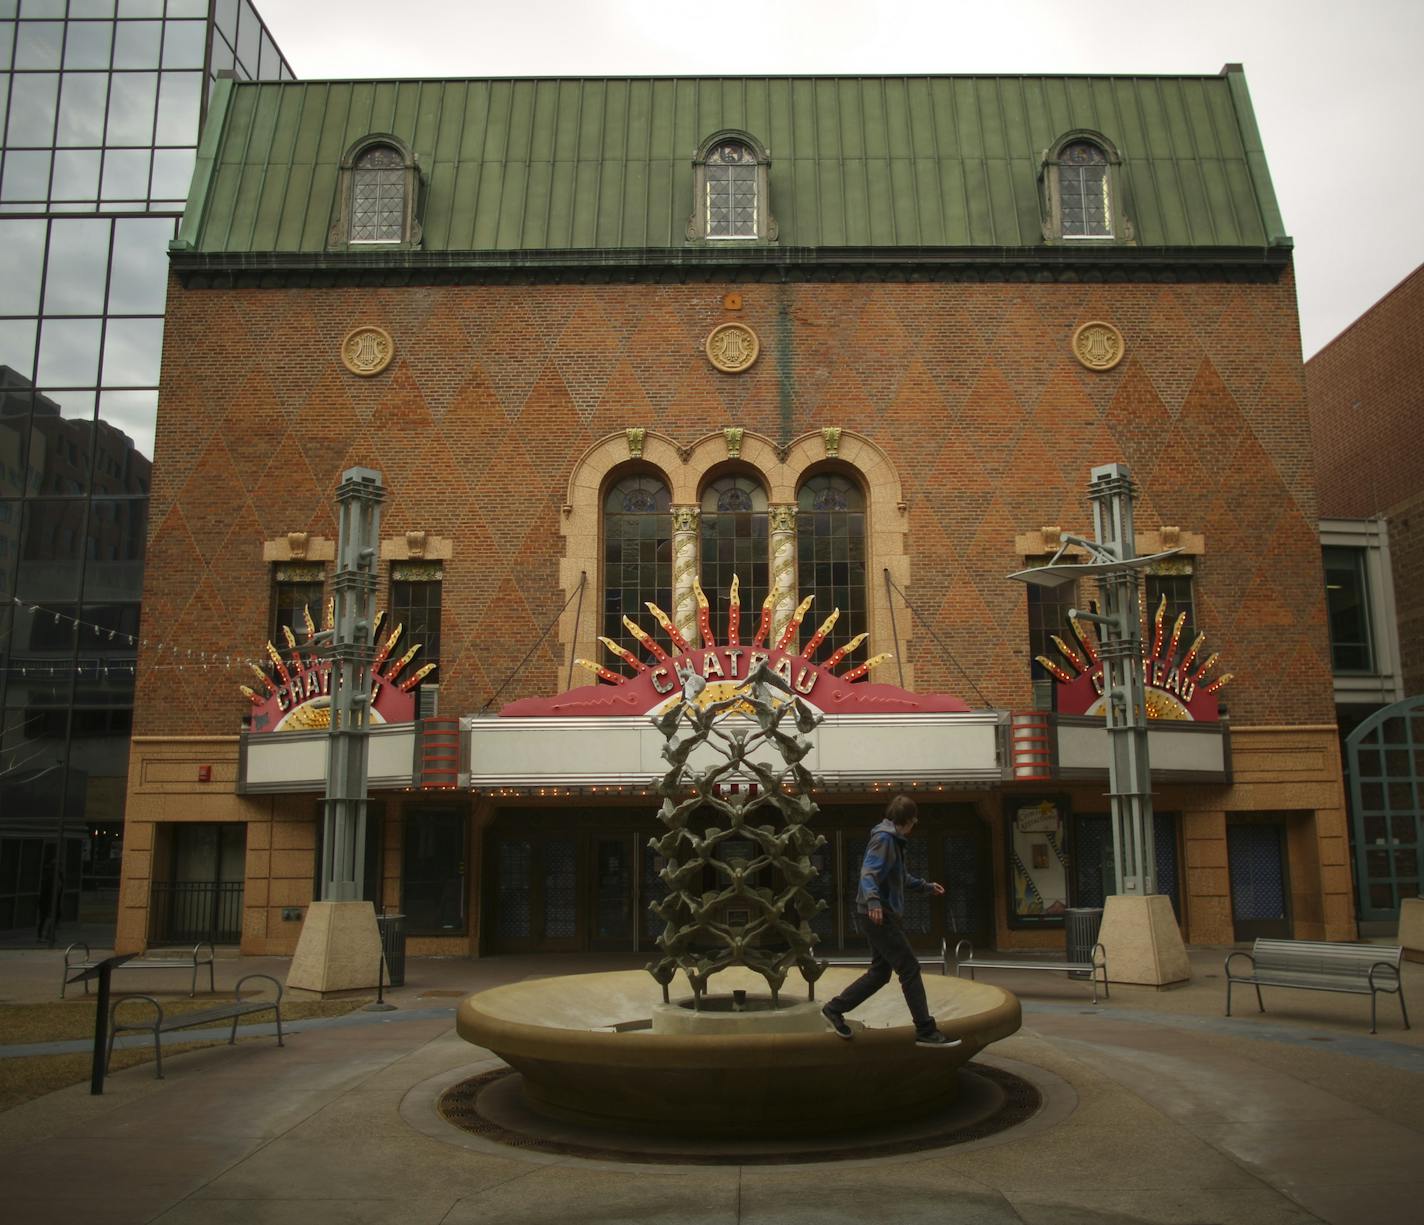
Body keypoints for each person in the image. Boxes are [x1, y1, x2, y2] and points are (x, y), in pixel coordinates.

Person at [822, 795, 959, 1048]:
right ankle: (925, 1030)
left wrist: (926, 886)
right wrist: (874, 903)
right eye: (914, 821)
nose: (914, 826)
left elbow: (900, 876)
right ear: (907, 821)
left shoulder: (892, 840)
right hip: (879, 914)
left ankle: (834, 1009)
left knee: (880, 973)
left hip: (880, 913)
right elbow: (868, 873)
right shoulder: (884, 839)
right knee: (909, 968)